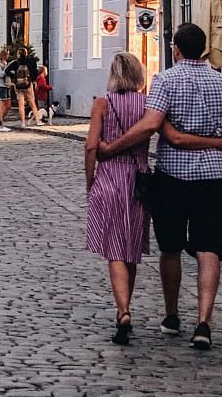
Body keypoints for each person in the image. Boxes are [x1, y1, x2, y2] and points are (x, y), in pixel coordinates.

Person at [100, 23, 222, 350]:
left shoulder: (165, 79)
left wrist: (114, 147)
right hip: (214, 178)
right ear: (203, 49)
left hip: (174, 178)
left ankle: (172, 315)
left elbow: (151, 126)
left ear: (176, 49)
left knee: (171, 247)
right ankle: (203, 322)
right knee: (210, 249)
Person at [84, 53, 151, 346]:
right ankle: (126, 306)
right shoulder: (148, 104)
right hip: (139, 178)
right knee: (131, 247)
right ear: (138, 75)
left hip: (110, 177)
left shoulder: (102, 104)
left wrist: (90, 181)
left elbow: (90, 147)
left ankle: (123, 311)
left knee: (114, 249)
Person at [13, 49, 40, 128]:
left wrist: (14, 77)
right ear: (26, 53)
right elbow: (35, 72)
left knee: (21, 104)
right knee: (32, 102)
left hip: (18, 86)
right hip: (28, 85)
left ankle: (23, 123)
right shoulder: (30, 61)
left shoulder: (15, 62)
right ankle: (38, 120)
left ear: (18, 54)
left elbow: (7, 70)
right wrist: (32, 79)